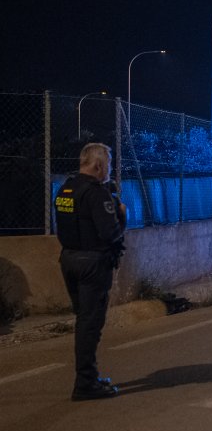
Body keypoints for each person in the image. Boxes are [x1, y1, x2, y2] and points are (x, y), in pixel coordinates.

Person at [54, 142, 126, 401]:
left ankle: (87, 378)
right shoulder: (96, 193)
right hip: (92, 263)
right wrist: (122, 216)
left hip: (68, 259)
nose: (109, 170)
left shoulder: (66, 188)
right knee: (90, 324)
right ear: (98, 165)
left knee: (83, 320)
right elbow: (110, 233)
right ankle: (86, 382)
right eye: (108, 164)